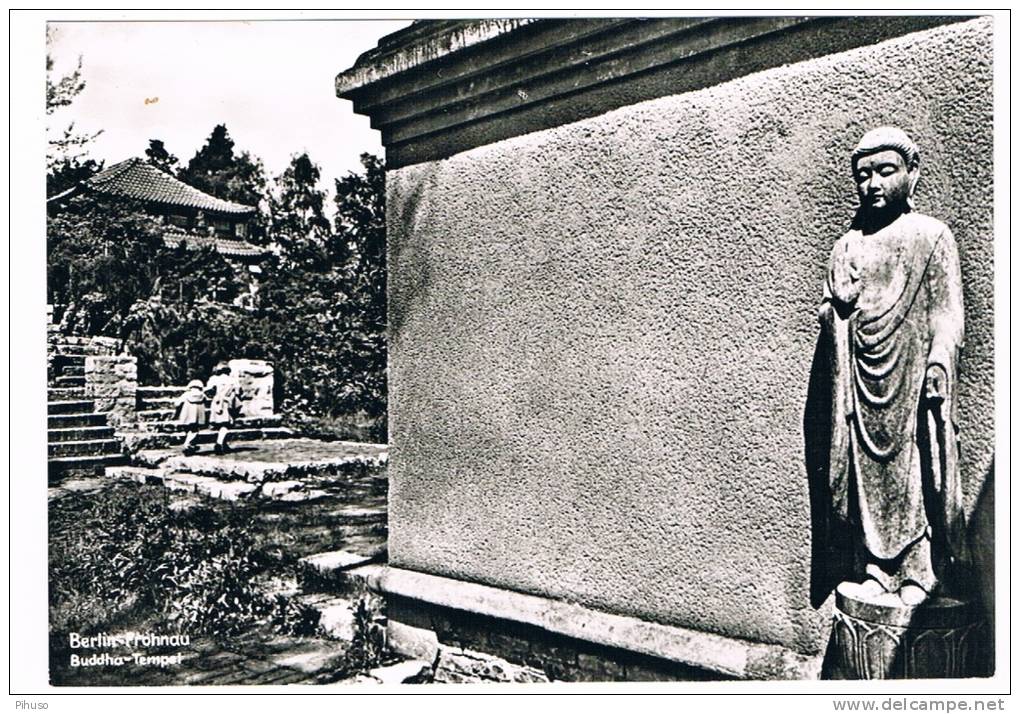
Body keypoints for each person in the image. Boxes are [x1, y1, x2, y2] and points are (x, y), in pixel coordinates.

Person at [819, 127, 966, 606]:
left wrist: (940, 362)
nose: (873, 184)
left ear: (912, 174)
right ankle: (877, 569)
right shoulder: (848, 246)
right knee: (867, 471)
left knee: (915, 466)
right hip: (862, 378)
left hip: (913, 373)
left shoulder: (931, 237)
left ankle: (919, 570)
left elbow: (948, 315)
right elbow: (832, 312)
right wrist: (837, 306)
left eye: (885, 171)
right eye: (863, 175)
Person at [205, 362, 240, 455]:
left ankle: (223, 444)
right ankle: (219, 443)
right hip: (227, 402)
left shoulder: (214, 379)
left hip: (216, 402)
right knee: (226, 424)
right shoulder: (233, 380)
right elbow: (238, 392)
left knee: (220, 423)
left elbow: (208, 391)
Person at [175, 379, 207, 455]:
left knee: (187, 429)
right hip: (198, 415)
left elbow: (177, 403)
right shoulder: (203, 395)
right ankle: (190, 444)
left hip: (187, 414)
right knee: (195, 430)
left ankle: (187, 444)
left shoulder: (186, 394)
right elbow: (206, 401)